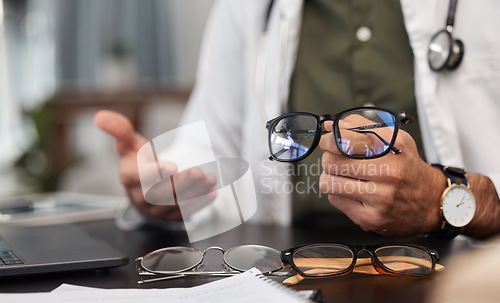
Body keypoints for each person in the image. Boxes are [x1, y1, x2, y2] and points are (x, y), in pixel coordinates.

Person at [95, 0, 500, 239]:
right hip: (291, 269)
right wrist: (166, 181)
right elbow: (210, 143)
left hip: (465, 276)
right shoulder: (246, 8)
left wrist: (449, 199)